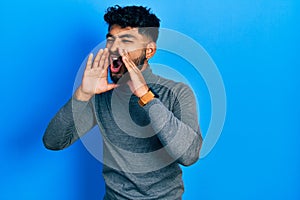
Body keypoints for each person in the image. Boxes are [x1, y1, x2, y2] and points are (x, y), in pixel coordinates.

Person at [43, 5, 202, 200]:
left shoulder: (177, 92)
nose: (114, 48)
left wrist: (145, 95)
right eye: (111, 40)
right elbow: (53, 142)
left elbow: (189, 155)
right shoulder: (102, 97)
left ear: (149, 50)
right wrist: (82, 94)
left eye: (126, 40)